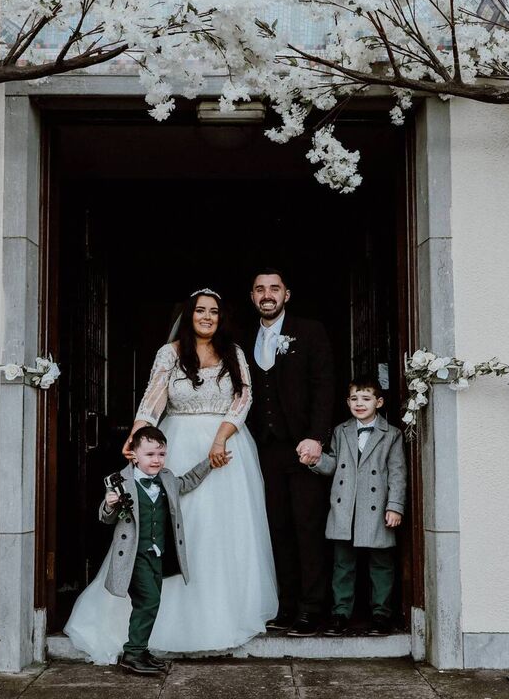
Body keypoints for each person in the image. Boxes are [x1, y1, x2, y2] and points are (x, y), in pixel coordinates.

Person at [65, 289, 277, 663]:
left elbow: (243, 399)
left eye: (213, 311)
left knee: (223, 533)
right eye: (200, 310)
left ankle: (222, 616)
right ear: (189, 314)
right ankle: (160, 623)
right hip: (178, 444)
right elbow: (153, 399)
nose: (207, 316)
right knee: (180, 527)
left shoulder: (235, 353)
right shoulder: (171, 353)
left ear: (221, 317)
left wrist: (221, 438)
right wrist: (137, 435)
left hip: (227, 446)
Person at [244, 269, 335, 637]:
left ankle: (313, 608)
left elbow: (324, 385)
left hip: (302, 449)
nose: (267, 295)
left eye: (274, 289)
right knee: (276, 528)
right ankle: (286, 605)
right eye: (260, 289)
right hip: (262, 450)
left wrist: (316, 437)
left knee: (307, 527)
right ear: (252, 297)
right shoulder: (240, 339)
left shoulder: (310, 331)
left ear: (287, 294)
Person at [97, 427, 223, 675]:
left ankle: (139, 650)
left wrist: (209, 463)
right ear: (133, 454)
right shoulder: (121, 483)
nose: (156, 460)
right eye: (150, 454)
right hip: (134, 556)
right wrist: (110, 504)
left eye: (161, 454)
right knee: (148, 601)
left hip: (157, 554)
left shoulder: (166, 478)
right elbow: (105, 517)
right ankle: (132, 653)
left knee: (149, 602)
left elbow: (187, 481)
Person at [306, 377, 407, 636]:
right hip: (345, 507)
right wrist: (314, 461)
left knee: (381, 564)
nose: (359, 404)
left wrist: (395, 506)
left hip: (376, 508)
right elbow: (333, 465)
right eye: (354, 399)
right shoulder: (341, 431)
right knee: (343, 564)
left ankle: (381, 614)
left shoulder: (391, 434)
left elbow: (397, 473)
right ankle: (340, 613)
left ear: (379, 402)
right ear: (347, 402)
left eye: (366, 398)